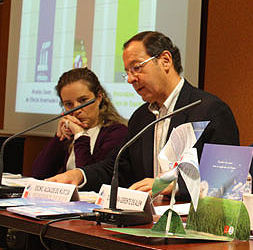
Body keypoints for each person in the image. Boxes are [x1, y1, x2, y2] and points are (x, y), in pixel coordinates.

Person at [49, 31, 240, 193]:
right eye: (127, 72)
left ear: (165, 60)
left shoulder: (210, 111)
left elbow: (225, 179)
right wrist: (79, 175)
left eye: (137, 68)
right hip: (146, 220)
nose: (130, 79)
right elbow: (117, 168)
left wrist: (171, 186)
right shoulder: (142, 117)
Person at [31, 68, 127, 179]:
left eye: (83, 100)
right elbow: (38, 174)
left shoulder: (117, 132)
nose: (76, 110)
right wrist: (58, 138)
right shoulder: (69, 133)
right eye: (68, 104)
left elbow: (93, 178)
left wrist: (80, 136)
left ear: (99, 97)